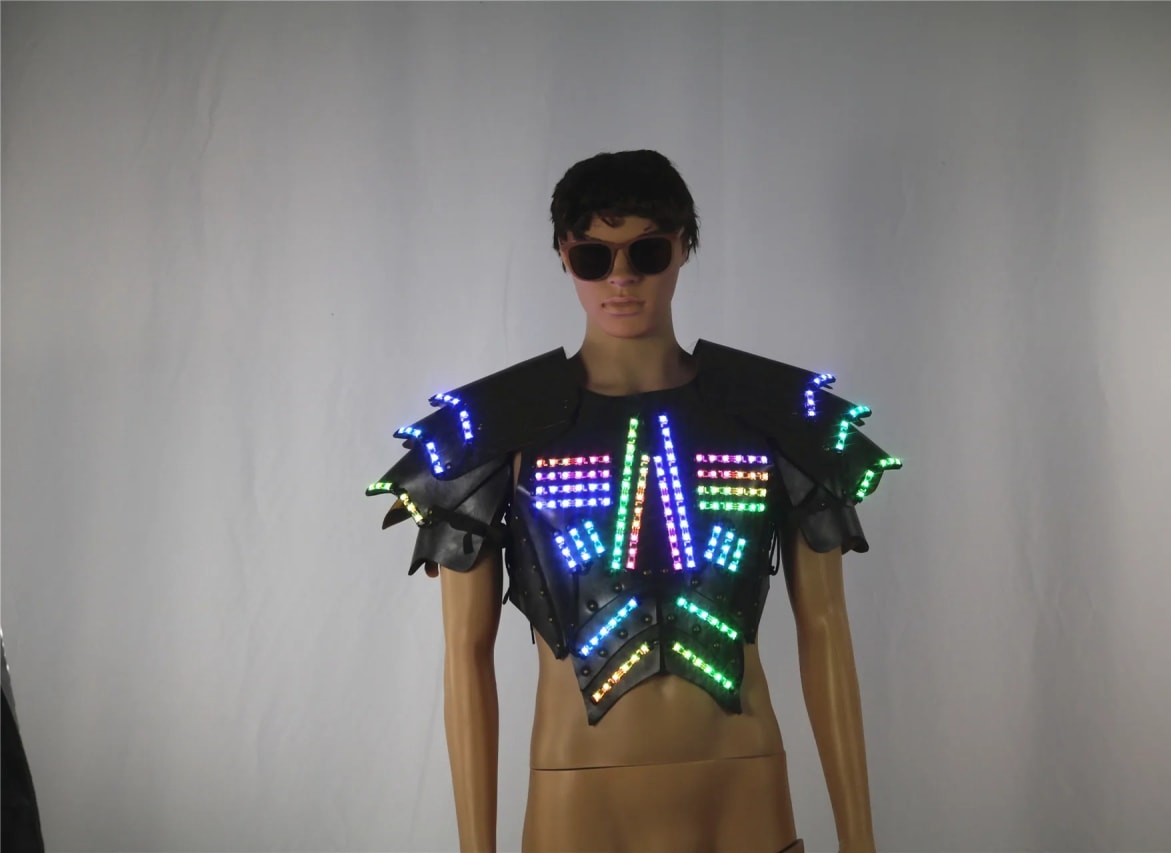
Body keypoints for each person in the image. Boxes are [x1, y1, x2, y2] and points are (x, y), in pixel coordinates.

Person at [367, 149, 900, 852]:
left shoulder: (778, 414)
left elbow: (826, 629)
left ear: (683, 249)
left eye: (647, 251)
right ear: (564, 258)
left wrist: (861, 842)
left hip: (743, 785)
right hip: (577, 796)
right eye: (593, 256)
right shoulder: (492, 429)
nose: (620, 277)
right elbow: (466, 658)